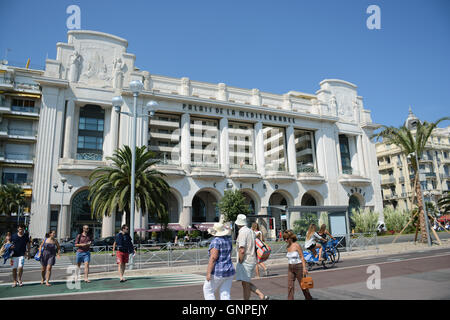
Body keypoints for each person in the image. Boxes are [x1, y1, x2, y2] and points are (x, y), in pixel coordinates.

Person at [235, 214, 269, 300]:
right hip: (252, 258)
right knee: (245, 282)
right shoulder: (250, 231)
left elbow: (242, 249)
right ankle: (261, 295)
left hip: (245, 260)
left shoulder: (242, 232)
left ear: (238, 224)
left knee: (245, 284)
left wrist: (240, 260)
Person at [203, 222, 235, 300]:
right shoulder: (228, 240)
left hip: (218, 270)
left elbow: (213, 258)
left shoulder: (215, 241)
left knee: (208, 290)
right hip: (229, 268)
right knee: (225, 292)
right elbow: (229, 255)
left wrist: (208, 273)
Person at [283, 230, 313, 300]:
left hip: (299, 266)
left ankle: (309, 298)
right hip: (290, 267)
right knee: (290, 286)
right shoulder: (287, 247)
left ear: (291, 238)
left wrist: (304, 268)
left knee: (304, 285)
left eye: (287, 238)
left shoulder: (297, 245)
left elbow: (302, 257)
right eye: (284, 239)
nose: (285, 240)